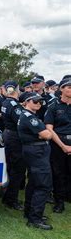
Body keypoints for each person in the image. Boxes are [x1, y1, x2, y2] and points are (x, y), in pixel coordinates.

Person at [17, 92, 53, 230]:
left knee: (33, 182)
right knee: (43, 185)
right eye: (35, 101)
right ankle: (35, 219)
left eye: (40, 101)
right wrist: (45, 133)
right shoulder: (29, 117)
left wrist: (43, 133)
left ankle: (29, 213)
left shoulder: (29, 116)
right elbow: (47, 135)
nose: (38, 103)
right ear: (26, 102)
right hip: (37, 152)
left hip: (33, 151)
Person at [44, 78, 71, 213]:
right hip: (58, 144)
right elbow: (49, 128)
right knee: (58, 173)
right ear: (61, 89)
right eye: (69, 87)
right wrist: (62, 146)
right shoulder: (53, 106)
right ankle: (59, 201)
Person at [0, 81, 26, 210]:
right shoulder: (14, 105)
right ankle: (11, 200)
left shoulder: (6, 102)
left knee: (11, 168)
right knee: (17, 170)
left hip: (8, 135)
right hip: (15, 138)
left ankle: (8, 196)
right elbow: (22, 122)